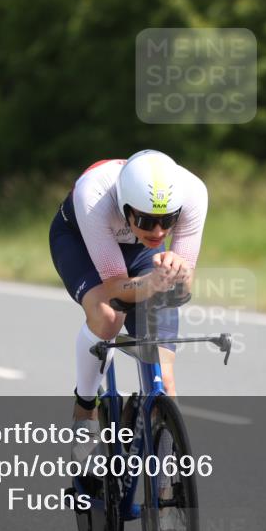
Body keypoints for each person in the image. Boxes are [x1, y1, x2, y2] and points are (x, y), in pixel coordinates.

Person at [48, 150, 208, 441]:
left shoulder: (193, 192)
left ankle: (164, 476)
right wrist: (151, 284)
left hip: (142, 255)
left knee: (165, 379)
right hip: (80, 242)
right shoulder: (93, 194)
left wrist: (178, 274)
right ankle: (85, 408)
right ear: (125, 207)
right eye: (147, 221)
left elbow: (182, 291)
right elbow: (115, 289)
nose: (159, 232)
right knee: (108, 316)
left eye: (167, 220)